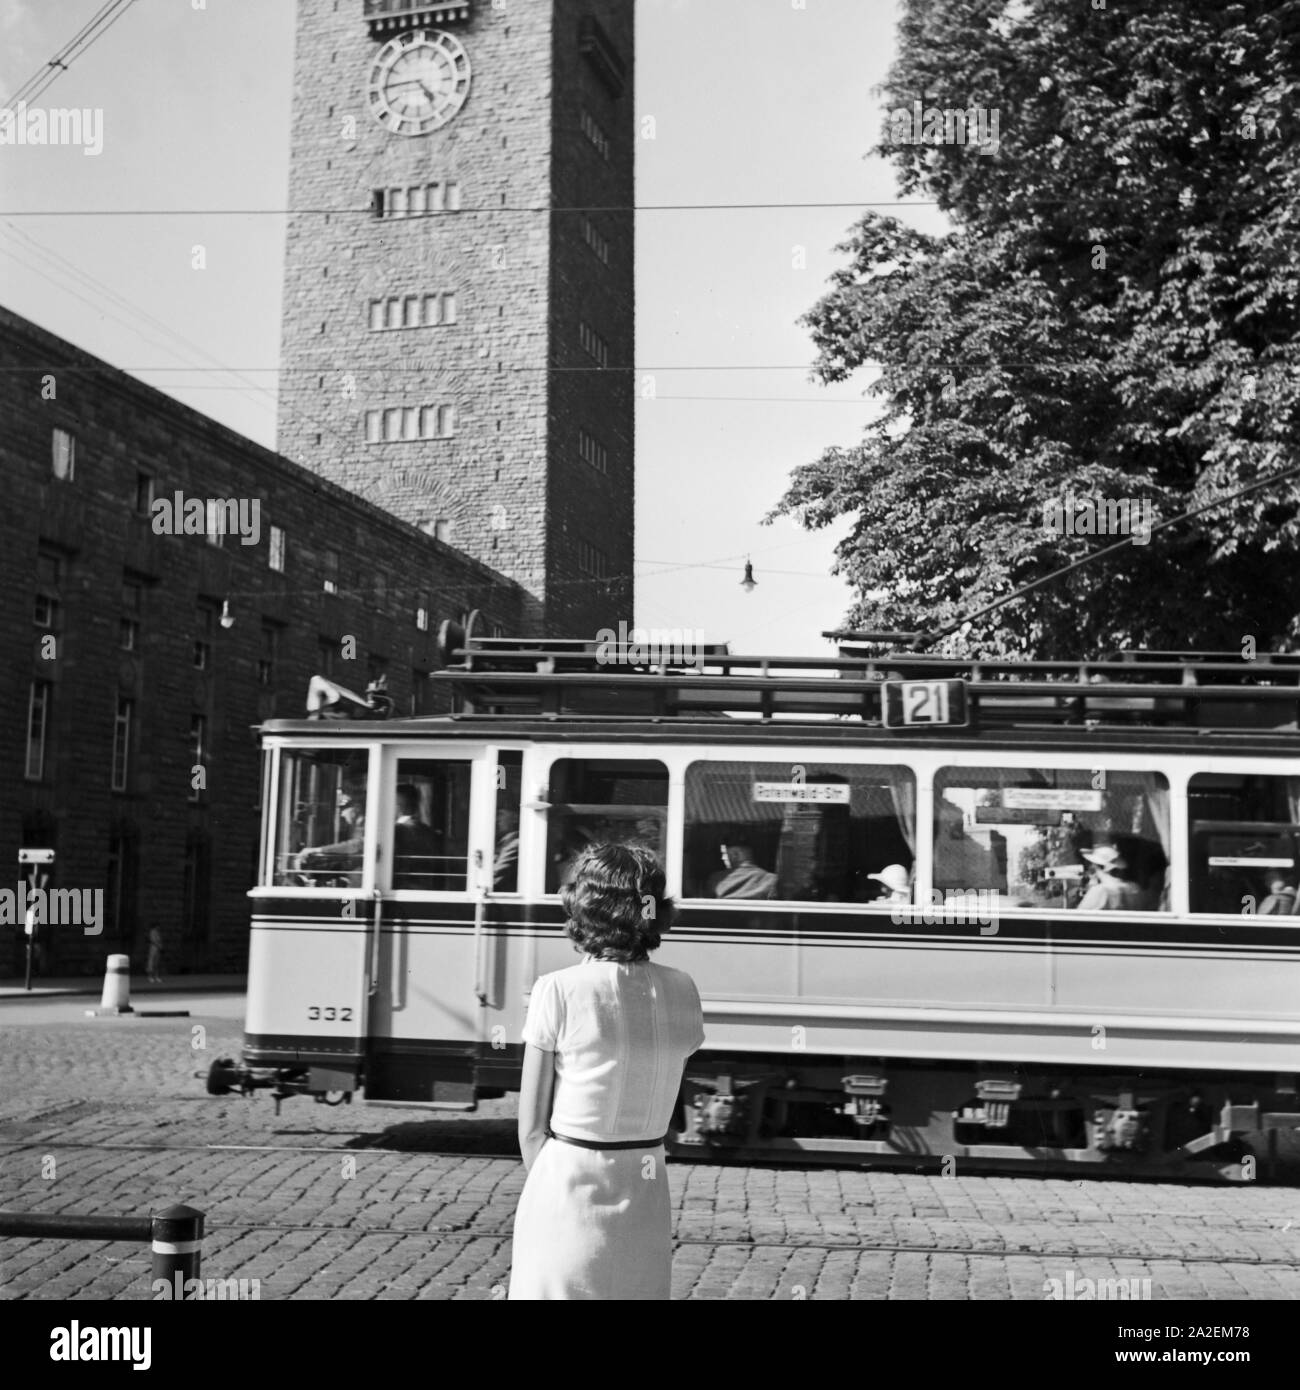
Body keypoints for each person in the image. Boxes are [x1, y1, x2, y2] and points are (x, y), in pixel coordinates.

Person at [509, 844, 705, 1301]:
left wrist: (551, 1195)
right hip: (645, 1183)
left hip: (571, 1178)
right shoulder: (682, 988)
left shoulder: (557, 989)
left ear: (583, 911)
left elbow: (531, 1130)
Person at [394, 783, 439, 888]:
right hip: (423, 887)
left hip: (400, 889)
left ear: (399, 806)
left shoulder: (397, 830)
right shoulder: (427, 830)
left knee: (351, 901)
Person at [1076, 845, 1145, 911]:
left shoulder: (1098, 890)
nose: (1089, 867)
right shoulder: (1133, 888)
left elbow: (1077, 917)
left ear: (1095, 867)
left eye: (1090, 864)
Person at [707, 838, 777, 900]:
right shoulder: (771, 879)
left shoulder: (717, 879)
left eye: (725, 854)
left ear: (735, 855)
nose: (723, 858)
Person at [494, 807, 520, 891]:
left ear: (515, 818)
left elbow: (494, 876)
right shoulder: (503, 842)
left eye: (501, 814)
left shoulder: (515, 844)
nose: (497, 819)